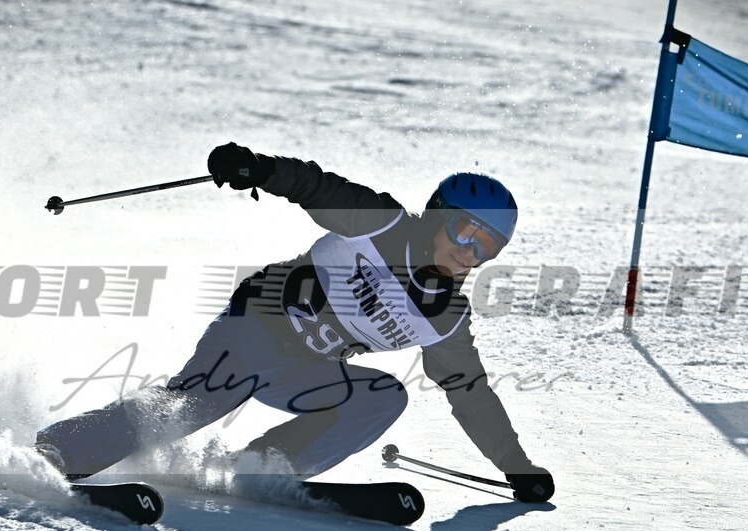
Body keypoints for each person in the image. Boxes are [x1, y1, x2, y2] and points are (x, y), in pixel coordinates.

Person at [35, 143, 554, 503]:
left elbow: (469, 392)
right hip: (254, 326)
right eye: (466, 233)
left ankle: (261, 469)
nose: (471, 253)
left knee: (383, 397)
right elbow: (315, 185)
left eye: (488, 247)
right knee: (197, 406)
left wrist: (516, 466)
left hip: (303, 369)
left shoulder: (445, 318)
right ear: (440, 216)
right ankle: (64, 448)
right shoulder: (382, 223)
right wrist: (257, 168)